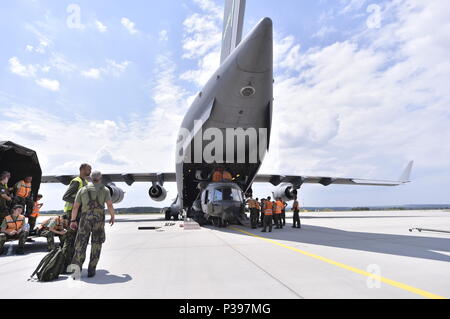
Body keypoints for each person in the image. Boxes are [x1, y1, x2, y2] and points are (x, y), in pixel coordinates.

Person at [70, 171, 115, 278]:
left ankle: (76, 270)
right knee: (96, 244)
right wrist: (112, 216)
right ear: (100, 178)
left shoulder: (83, 190)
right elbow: (109, 205)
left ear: (90, 178)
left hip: (85, 219)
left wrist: (73, 220)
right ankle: (91, 270)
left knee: (80, 244)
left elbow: (75, 207)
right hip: (99, 220)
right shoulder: (105, 190)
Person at [61, 163, 91, 270]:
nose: (90, 171)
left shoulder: (85, 182)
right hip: (71, 213)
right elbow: (65, 197)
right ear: (82, 169)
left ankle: (70, 264)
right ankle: (64, 265)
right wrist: (79, 201)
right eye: (88, 169)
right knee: (70, 240)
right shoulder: (76, 181)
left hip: (79, 213)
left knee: (76, 240)